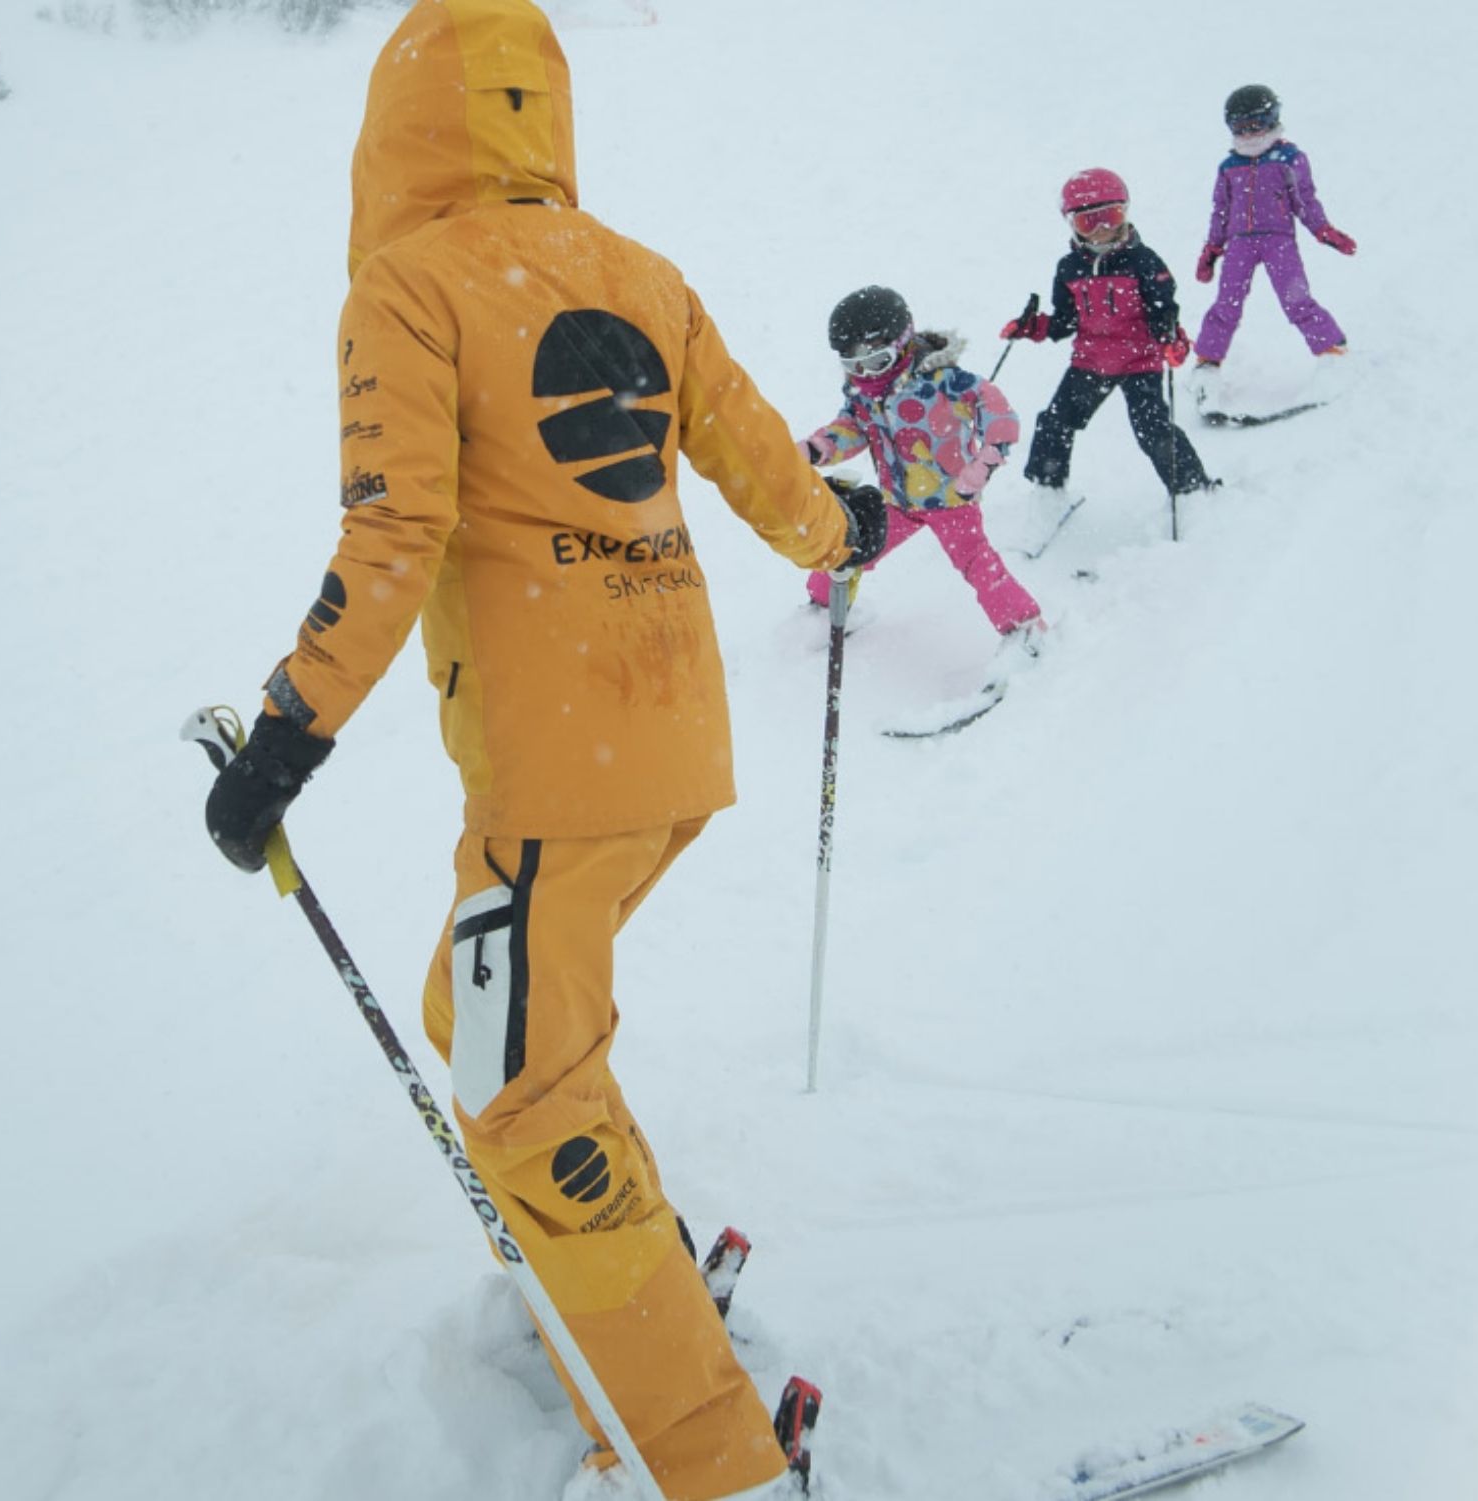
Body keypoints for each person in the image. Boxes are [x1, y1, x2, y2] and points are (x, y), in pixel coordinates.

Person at [200, 3, 886, 1498]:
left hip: (555, 771)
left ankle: (705, 1456)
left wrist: (286, 735)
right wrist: (843, 530)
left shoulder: (407, 284)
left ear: (394, 134)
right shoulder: (638, 271)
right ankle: (635, 1289)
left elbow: (395, 530)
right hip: (670, 742)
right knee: (506, 1028)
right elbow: (762, 458)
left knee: (514, 1090)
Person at [799, 287, 1045, 657]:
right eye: (854, 365)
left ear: (902, 343)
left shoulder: (945, 381)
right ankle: (821, 612)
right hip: (896, 500)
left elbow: (999, 413)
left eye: (875, 361)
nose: (865, 373)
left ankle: (1026, 631)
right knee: (849, 548)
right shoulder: (864, 392)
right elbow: (852, 427)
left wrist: (985, 461)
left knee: (977, 564)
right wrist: (818, 448)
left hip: (951, 498)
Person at [1001, 167, 1214, 504]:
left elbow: (1164, 311)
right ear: (1072, 224)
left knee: (1153, 430)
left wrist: (1172, 339)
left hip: (1140, 362)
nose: (1102, 230)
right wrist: (1033, 327)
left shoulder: (1144, 262)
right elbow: (1064, 322)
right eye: (1089, 222)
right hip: (1090, 362)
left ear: (1124, 213)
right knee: (1055, 422)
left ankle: (1192, 491)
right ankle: (1047, 492)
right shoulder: (1069, 268)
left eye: (1110, 217)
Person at [1193, 84, 1356, 368]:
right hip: (1240, 242)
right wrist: (1213, 247)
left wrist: (1322, 229)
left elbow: (1304, 200)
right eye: (1240, 128)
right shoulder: (1229, 166)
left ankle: (1332, 348)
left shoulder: (1288, 159)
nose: (1248, 135)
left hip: (1278, 240)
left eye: (1254, 126)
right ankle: (1208, 360)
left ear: (1270, 121)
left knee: (1295, 298)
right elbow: (1221, 210)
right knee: (1227, 302)